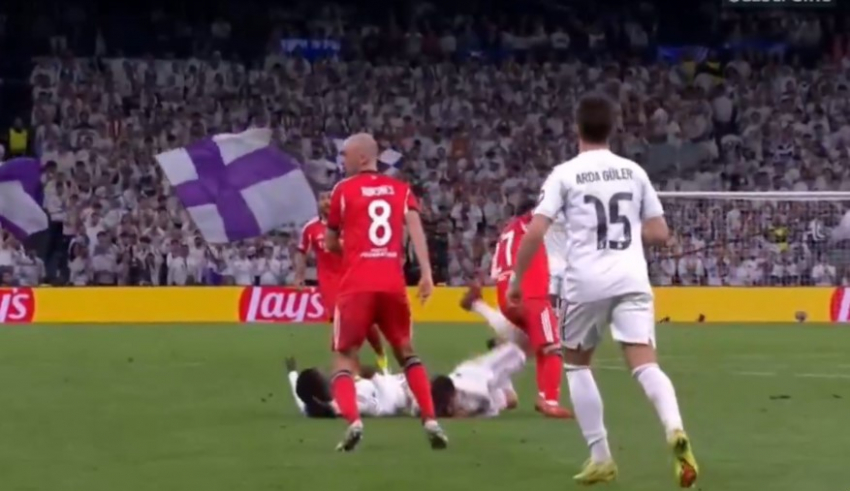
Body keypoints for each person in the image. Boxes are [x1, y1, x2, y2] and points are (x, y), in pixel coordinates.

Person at [507, 93, 699, 487]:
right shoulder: (633, 171)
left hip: (587, 282)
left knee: (577, 365)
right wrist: (626, 234)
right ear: (613, 128)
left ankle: (601, 457)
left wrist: (516, 279)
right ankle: (674, 428)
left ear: (576, 128)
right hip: (631, 278)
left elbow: (536, 230)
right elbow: (659, 232)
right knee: (646, 364)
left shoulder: (565, 174)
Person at [325, 132, 447, 452]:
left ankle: (353, 421)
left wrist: (354, 249)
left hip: (356, 286)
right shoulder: (400, 190)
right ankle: (430, 419)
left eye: (346, 155)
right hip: (392, 284)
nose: (343, 161)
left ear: (363, 157)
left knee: (344, 357)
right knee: (407, 352)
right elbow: (415, 228)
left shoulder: (343, 190)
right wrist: (426, 272)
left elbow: (330, 243)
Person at [480, 199, 572, 418]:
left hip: (505, 296)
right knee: (553, 347)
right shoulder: (532, 222)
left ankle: (537, 395)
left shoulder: (507, 233)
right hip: (529, 294)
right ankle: (549, 401)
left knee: (539, 345)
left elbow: (495, 272)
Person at [295, 191, 390, 374]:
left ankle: (380, 354)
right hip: (330, 283)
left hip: (355, 279)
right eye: (322, 198)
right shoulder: (310, 228)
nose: (326, 202)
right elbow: (301, 252)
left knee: (366, 323)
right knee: (342, 320)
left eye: (329, 198)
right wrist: (300, 276)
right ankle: (350, 367)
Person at [286, 357, 414, 418]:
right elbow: (384, 404)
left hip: (393, 390)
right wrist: (368, 374)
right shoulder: (346, 402)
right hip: (400, 395)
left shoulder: (315, 408)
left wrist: (292, 374)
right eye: (320, 374)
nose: (325, 374)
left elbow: (303, 402)